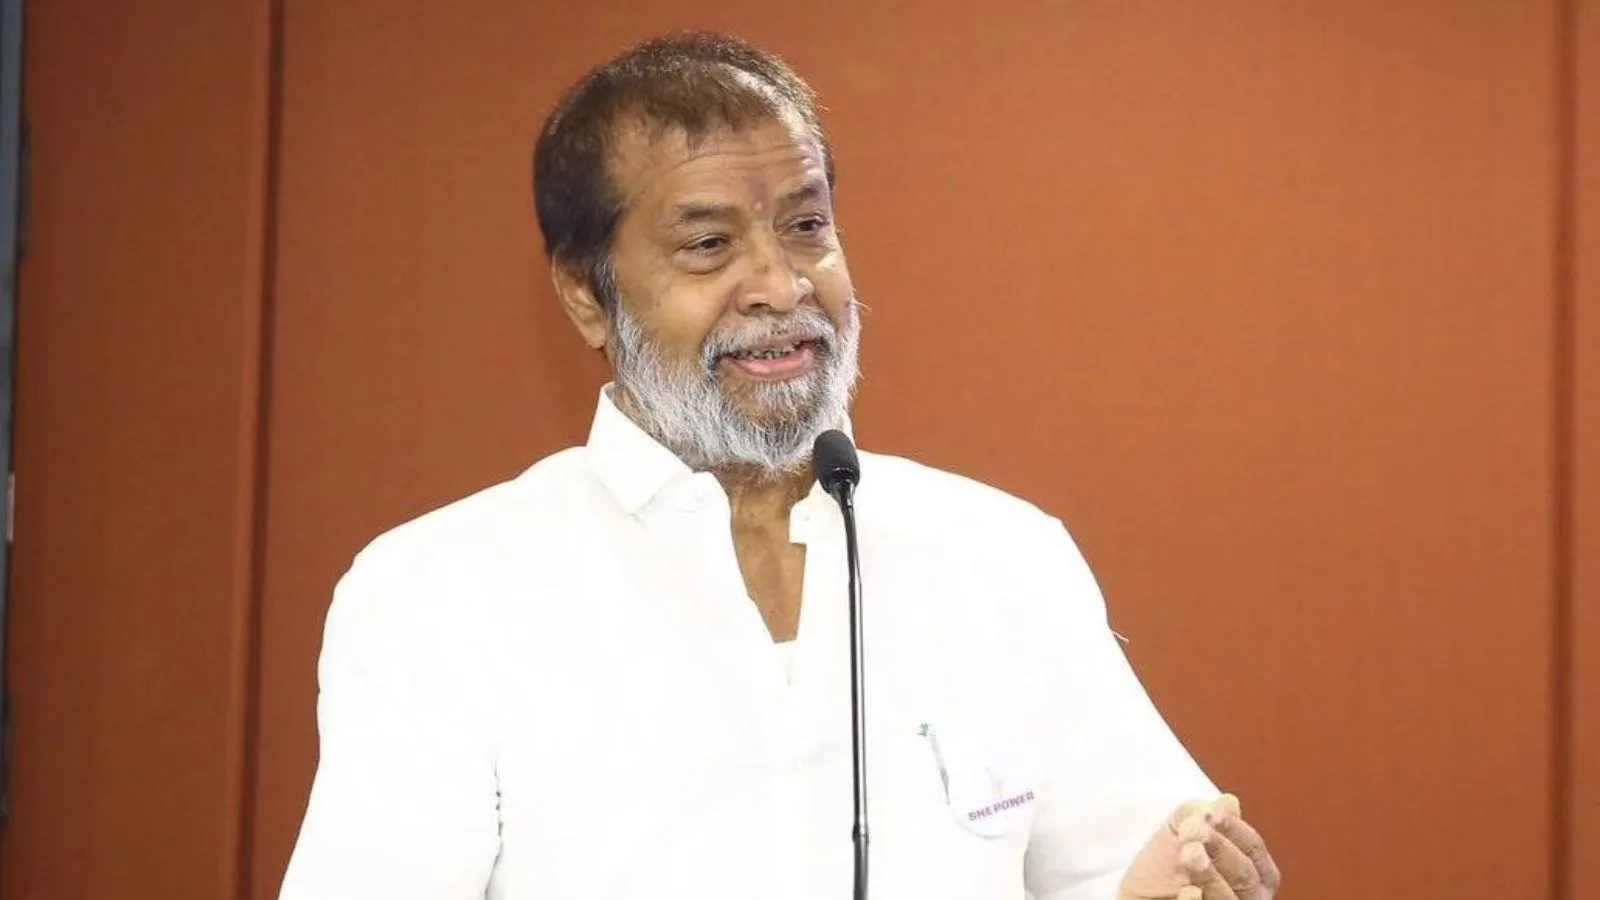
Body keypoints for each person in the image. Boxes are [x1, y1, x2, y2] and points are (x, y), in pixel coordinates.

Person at [278, 31, 1281, 900]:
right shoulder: (440, 591)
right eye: (709, 244)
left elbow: (1129, 867)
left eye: (806, 227)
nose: (781, 284)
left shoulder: (1003, 556)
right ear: (587, 293)